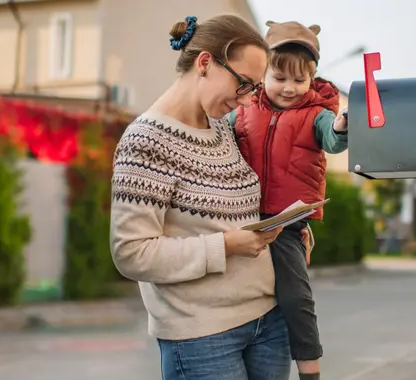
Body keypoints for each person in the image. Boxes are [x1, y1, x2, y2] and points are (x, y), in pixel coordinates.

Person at [109, 15, 310, 380]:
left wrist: (287, 226)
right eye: (244, 84)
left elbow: (239, 209)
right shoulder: (146, 141)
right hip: (201, 336)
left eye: (253, 88)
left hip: (268, 319)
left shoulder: (223, 130)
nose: (248, 99)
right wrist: (227, 246)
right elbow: (131, 254)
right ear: (204, 63)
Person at [228, 20, 349, 380]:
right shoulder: (245, 109)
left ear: (312, 79)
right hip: (241, 214)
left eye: (300, 80)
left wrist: (343, 124)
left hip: (286, 221)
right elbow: (220, 133)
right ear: (264, 73)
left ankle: (310, 369)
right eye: (280, 78)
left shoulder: (317, 114)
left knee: (295, 296)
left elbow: (333, 138)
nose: (290, 88)